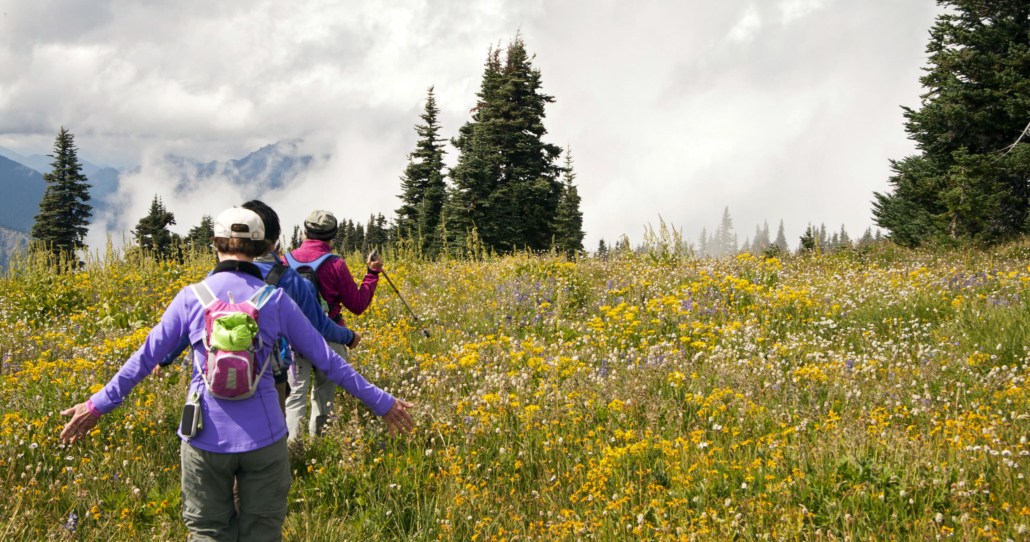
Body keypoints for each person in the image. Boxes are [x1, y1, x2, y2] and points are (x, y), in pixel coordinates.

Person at [60, 207, 414, 542]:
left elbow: (145, 358)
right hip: (266, 438)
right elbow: (328, 361)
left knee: (208, 530)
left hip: (202, 435)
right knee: (262, 531)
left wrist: (95, 407)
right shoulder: (275, 300)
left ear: (214, 245)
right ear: (264, 246)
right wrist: (382, 403)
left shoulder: (190, 298)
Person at [154, 201, 360, 418]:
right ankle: (296, 449)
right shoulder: (290, 278)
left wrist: (164, 358)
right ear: (273, 240)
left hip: (222, 371)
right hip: (272, 372)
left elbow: (191, 325)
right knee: (275, 430)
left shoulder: (214, 279)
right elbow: (319, 325)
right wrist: (348, 336)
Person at [284, 210, 382, 439]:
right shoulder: (336, 264)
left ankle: (292, 450)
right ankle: (317, 443)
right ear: (332, 235)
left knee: (295, 395)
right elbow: (357, 305)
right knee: (324, 393)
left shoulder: (284, 261)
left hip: (294, 337)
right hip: (331, 336)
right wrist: (372, 273)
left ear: (306, 231)